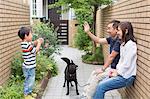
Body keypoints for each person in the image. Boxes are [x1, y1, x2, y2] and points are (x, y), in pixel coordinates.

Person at [93, 22, 137, 99]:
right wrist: (115, 71)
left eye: (119, 30)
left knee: (101, 87)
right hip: (121, 74)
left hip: (126, 77)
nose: (117, 32)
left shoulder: (131, 45)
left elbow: (127, 64)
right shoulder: (123, 44)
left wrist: (117, 73)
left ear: (126, 31)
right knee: (100, 83)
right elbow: (121, 62)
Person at [81, 20, 121, 99]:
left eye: (109, 28)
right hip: (112, 68)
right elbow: (98, 40)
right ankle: (85, 93)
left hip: (117, 70)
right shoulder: (112, 39)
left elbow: (111, 56)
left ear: (116, 29)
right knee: (94, 72)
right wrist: (88, 32)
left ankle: (87, 97)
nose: (107, 31)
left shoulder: (118, 41)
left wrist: (103, 69)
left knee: (98, 77)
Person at [18, 27, 44, 99]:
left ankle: (29, 92)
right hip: (29, 67)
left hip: (27, 66)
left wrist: (37, 41)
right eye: (31, 34)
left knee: (28, 80)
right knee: (30, 80)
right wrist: (39, 43)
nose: (32, 35)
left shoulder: (25, 43)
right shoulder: (27, 45)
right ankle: (27, 94)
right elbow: (35, 51)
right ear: (26, 36)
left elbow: (32, 43)